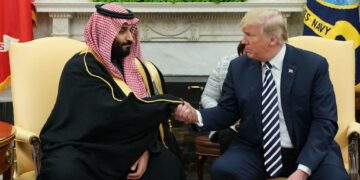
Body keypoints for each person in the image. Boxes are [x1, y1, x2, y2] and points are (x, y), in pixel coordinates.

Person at [174, 8, 348, 180]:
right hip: (257, 151)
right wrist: (195, 115)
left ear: (273, 39)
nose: (243, 41)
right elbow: (226, 111)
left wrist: (303, 171)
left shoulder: (313, 66)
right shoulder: (238, 67)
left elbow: (325, 121)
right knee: (224, 170)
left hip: (307, 148)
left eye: (250, 35)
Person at [38, 3, 186, 180]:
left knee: (166, 165)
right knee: (63, 172)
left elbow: (145, 119)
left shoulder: (135, 70)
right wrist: (169, 103)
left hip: (126, 147)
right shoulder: (81, 67)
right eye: (122, 30)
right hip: (84, 148)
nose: (130, 38)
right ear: (103, 33)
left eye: (132, 30)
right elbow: (115, 113)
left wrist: (145, 148)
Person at [201, 42, 245, 153]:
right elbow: (207, 97)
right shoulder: (225, 63)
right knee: (227, 136)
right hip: (228, 125)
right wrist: (225, 113)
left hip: (256, 124)